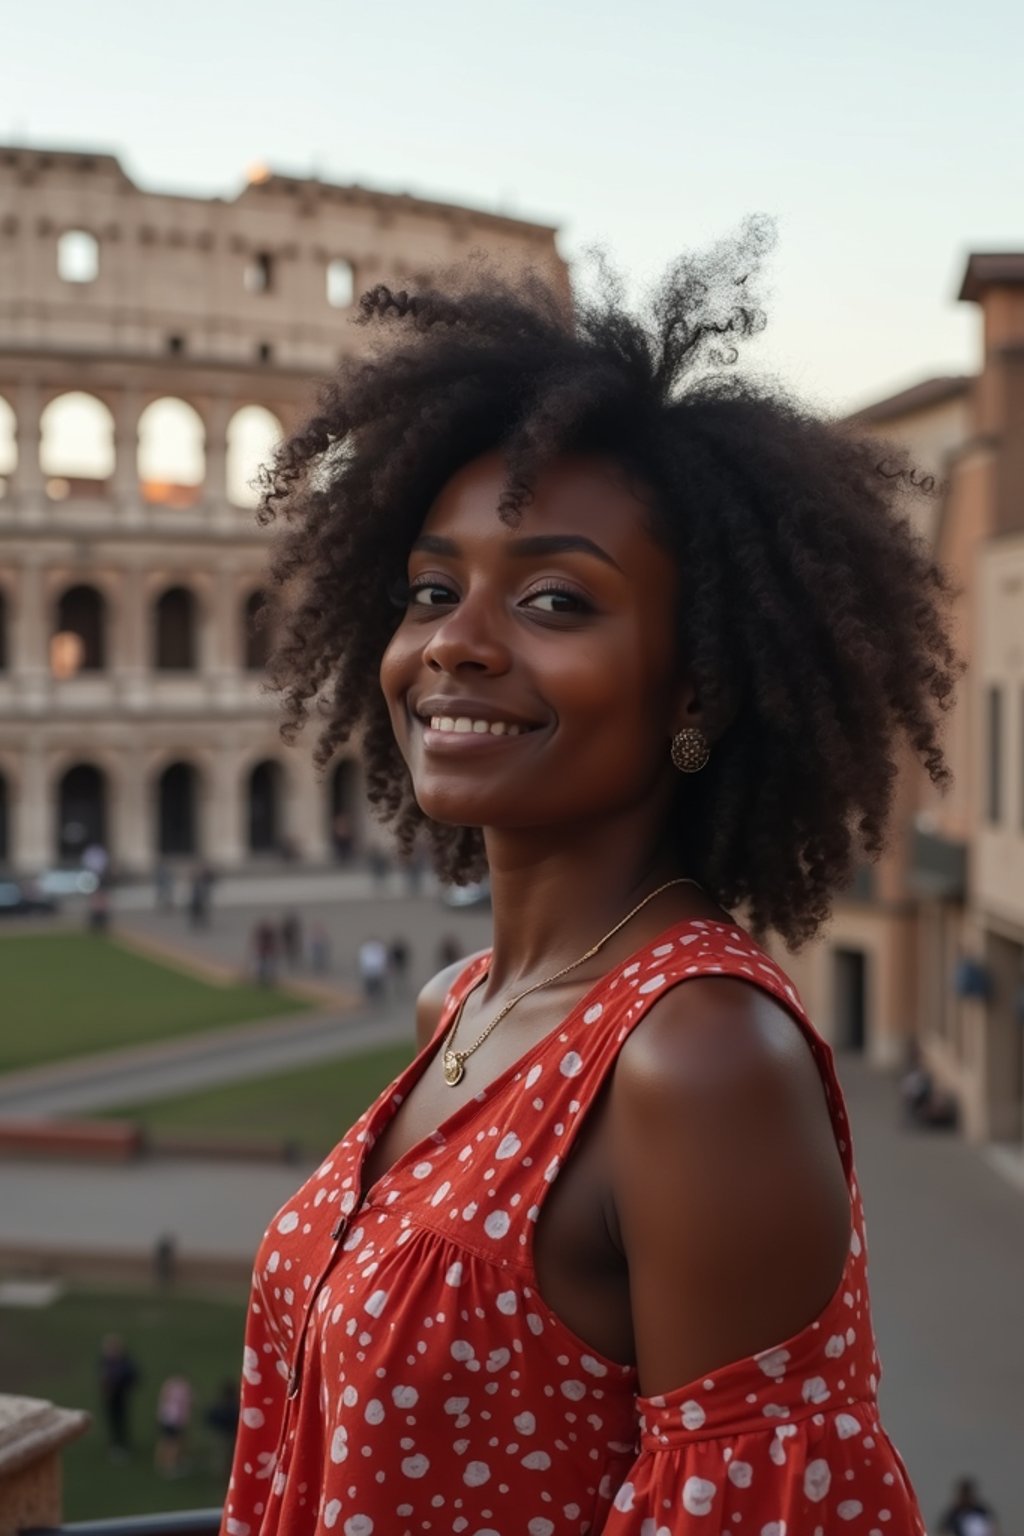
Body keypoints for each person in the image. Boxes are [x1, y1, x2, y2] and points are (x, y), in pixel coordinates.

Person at [222, 230, 957, 1535]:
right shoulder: (459, 1005)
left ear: (699, 685)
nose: (455, 642)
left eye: (555, 600)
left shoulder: (700, 1063)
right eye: (433, 588)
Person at [97, 1333, 138, 1460]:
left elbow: (133, 1376)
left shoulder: (125, 1362)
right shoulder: (105, 1362)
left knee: (121, 1421)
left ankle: (122, 1445)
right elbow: (102, 1377)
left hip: (121, 1396)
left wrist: (124, 1385)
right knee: (112, 1422)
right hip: (110, 1398)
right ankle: (115, 1445)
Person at [154, 1372, 192, 1477]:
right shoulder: (184, 1388)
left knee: (165, 1440)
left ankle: (160, 1462)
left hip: (165, 1417)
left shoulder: (169, 1385)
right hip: (176, 1419)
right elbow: (185, 1405)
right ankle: (170, 1465)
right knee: (174, 1443)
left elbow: (163, 1399)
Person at [205, 1378, 240, 1479]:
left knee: (222, 1454)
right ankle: (227, 1472)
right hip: (231, 1434)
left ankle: (222, 1472)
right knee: (229, 1455)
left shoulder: (220, 1406)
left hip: (222, 1434)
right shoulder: (234, 1407)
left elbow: (211, 1417)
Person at [357, 935, 388, 1001]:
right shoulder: (367, 948)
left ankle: (377, 999)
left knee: (377, 987)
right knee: (370, 988)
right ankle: (371, 999)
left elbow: (383, 959)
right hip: (370, 971)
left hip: (376, 971)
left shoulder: (378, 948)